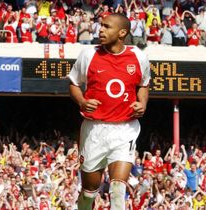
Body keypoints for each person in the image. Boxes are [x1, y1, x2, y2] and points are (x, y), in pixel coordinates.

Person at [68, 13, 150, 210]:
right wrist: (82, 101)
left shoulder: (138, 56)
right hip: (94, 130)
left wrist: (143, 103)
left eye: (106, 26)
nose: (100, 30)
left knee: (117, 188)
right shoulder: (88, 55)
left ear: (122, 33)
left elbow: (143, 85)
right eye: (101, 25)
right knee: (90, 190)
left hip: (125, 129)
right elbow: (73, 83)